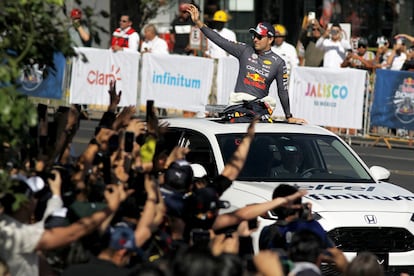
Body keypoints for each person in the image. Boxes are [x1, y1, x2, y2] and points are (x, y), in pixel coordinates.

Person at [187, 4, 305, 124]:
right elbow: (219, 40)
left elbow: (282, 91)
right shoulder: (245, 50)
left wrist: (289, 116)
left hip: (258, 110)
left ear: (270, 39)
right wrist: (198, 22)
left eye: (259, 36)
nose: (255, 39)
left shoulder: (279, 62)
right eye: (254, 35)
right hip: (237, 107)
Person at [62, 223, 138, 275]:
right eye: (129, 256)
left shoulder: (71, 271)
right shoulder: (125, 274)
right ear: (122, 252)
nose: (127, 261)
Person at [68, 8, 91, 119]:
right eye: (74, 18)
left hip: (82, 59)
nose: (76, 20)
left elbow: (86, 38)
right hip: (72, 59)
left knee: (83, 82)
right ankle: (73, 105)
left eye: (78, 18)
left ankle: (84, 107)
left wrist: (79, 27)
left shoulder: (84, 28)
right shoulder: (69, 30)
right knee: (71, 82)